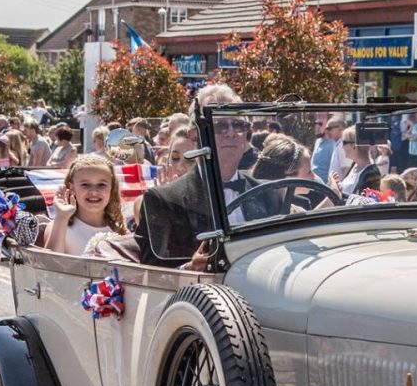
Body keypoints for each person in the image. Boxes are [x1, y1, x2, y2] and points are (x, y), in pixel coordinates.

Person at [134, 83, 275, 267]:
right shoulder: (164, 200)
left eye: (239, 125)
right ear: (194, 136)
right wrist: (189, 268)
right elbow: (150, 274)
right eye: (220, 126)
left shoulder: (267, 194)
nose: (231, 133)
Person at [41, 154, 130, 256]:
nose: (94, 192)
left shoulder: (119, 229)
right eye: (85, 185)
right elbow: (50, 265)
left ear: (112, 188)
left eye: (101, 185)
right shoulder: (59, 226)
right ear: (72, 188)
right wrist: (61, 217)